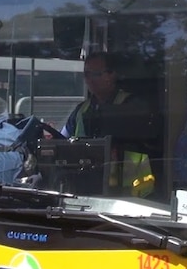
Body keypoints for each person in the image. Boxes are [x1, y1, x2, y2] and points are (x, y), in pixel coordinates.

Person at [60, 52, 157, 197]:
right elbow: (61, 143)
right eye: (87, 74)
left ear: (112, 75)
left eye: (97, 74)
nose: (90, 80)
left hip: (134, 192)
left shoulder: (133, 107)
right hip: (88, 191)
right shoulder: (81, 111)